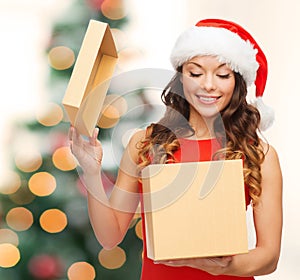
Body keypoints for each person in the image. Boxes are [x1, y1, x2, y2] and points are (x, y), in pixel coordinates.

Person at [68, 18, 283, 279]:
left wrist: (220, 266)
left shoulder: (259, 154)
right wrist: (92, 171)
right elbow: (110, 236)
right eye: (195, 73)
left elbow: (269, 256)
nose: (208, 85)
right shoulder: (145, 143)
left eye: (223, 75)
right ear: (181, 77)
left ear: (237, 82)